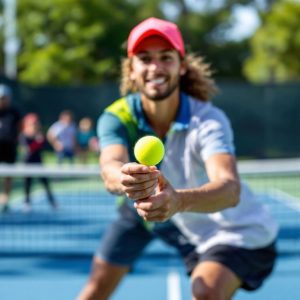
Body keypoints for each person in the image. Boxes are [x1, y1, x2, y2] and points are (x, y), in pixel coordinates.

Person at [77, 17, 278, 300]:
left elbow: (230, 188)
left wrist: (178, 201)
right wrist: (125, 179)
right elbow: (110, 166)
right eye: (145, 58)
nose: (155, 67)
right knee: (94, 290)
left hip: (228, 229)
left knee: (205, 292)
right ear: (131, 69)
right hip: (143, 209)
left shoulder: (208, 120)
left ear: (182, 66)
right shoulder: (117, 117)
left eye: (166, 58)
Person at [19, 113, 57, 212]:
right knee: (28, 183)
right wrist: (37, 142)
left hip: (39, 162)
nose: (35, 125)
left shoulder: (39, 135)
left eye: (36, 123)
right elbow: (27, 149)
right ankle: (27, 202)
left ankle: (52, 201)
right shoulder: (23, 135)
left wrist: (40, 140)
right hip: (27, 162)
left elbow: (43, 146)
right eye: (33, 123)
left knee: (45, 182)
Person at [0, 84, 22, 213]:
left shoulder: (14, 112)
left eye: (5, 98)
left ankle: (5, 200)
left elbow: (19, 128)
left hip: (10, 149)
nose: (3, 100)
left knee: (9, 175)